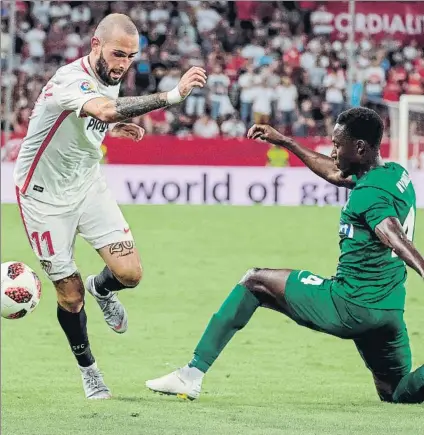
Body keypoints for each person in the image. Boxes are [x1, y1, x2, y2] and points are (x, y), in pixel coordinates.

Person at [146, 107, 424, 404]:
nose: (332, 152)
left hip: (349, 305)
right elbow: (334, 173)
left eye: (336, 145)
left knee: (255, 282)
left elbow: (392, 234)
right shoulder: (396, 176)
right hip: (389, 312)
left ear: (359, 147)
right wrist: (285, 141)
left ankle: (191, 375)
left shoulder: (369, 195)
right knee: (396, 393)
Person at [14, 13, 207, 400]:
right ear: (95, 46)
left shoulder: (108, 78)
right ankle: (90, 372)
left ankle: (102, 289)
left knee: (131, 274)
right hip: (43, 199)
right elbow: (100, 108)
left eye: (131, 57)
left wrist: (111, 128)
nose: (123, 64)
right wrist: (172, 97)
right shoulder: (71, 80)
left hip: (87, 185)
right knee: (69, 296)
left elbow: (94, 117)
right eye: (118, 54)